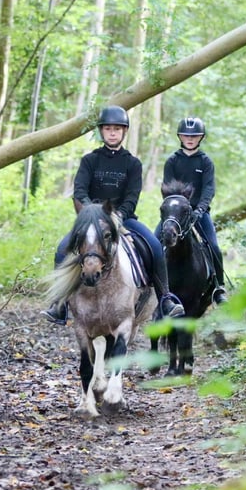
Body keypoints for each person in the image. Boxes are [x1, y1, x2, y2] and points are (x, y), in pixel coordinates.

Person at [42, 105, 185, 325]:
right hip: (90, 220)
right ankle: (59, 304)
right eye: (108, 129)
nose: (112, 132)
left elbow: (131, 197)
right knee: (62, 249)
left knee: (155, 246)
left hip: (123, 219)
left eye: (117, 129)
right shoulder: (90, 160)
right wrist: (92, 213)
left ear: (124, 132)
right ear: (101, 131)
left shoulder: (133, 163)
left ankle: (165, 298)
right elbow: (80, 190)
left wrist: (116, 217)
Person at [160, 116, 228, 304]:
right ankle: (150, 286)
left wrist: (199, 209)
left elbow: (208, 189)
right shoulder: (172, 161)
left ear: (201, 138)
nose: (190, 139)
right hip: (175, 214)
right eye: (185, 135)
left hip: (199, 212)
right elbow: (167, 188)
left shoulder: (205, 162)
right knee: (155, 241)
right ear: (180, 137)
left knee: (213, 246)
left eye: (194, 136)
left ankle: (218, 287)